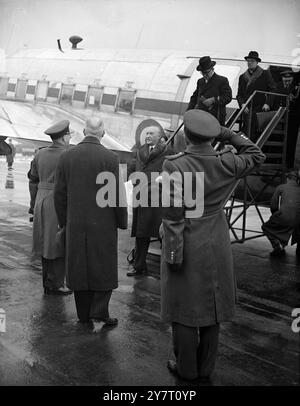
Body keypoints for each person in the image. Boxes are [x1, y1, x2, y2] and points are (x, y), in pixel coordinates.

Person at [160, 109, 266, 382]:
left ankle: (187, 369)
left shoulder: (176, 164)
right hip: (217, 240)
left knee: (183, 310)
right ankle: (205, 368)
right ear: (212, 135)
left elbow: (173, 216)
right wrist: (228, 132)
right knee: (212, 307)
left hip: (187, 241)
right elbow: (256, 154)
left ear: (187, 136)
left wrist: (172, 253)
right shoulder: (227, 161)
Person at [54, 116, 128, 332]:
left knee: (79, 267)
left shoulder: (67, 156)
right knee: (103, 267)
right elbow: (116, 195)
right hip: (103, 224)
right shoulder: (110, 158)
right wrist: (121, 221)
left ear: (84, 130)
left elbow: (59, 194)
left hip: (75, 222)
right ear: (102, 132)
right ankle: (100, 311)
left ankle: (83, 315)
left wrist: (64, 222)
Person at [29, 120, 73, 295]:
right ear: (63, 137)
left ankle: (47, 282)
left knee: (44, 240)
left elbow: (33, 179)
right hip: (58, 200)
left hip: (41, 198)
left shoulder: (40, 153)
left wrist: (33, 204)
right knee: (58, 241)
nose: (70, 137)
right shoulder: (68, 154)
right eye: (69, 135)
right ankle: (57, 284)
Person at [126, 126, 171, 277]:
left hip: (157, 197)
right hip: (141, 196)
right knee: (141, 233)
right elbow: (132, 166)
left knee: (161, 232)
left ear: (160, 137)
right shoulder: (140, 151)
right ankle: (139, 265)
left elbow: (172, 172)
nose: (148, 135)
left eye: (152, 133)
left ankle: (169, 266)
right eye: (147, 133)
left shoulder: (168, 152)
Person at [237, 51, 276, 141]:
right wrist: (242, 104)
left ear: (257, 62)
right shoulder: (242, 77)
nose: (250, 63)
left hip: (259, 107)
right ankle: (245, 150)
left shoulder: (265, 74)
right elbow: (239, 94)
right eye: (248, 61)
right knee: (246, 130)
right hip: (246, 108)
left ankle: (251, 151)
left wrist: (268, 103)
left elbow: (272, 89)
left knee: (254, 132)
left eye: (252, 61)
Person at [262, 170, 300, 257]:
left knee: (266, 227)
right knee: (286, 230)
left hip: (284, 217)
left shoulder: (281, 187)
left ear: (288, 178)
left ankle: (277, 246)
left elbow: (273, 204)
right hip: (297, 220)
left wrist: (275, 215)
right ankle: (282, 246)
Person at [186, 56, 232, 125]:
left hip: (215, 117)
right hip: (201, 116)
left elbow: (228, 97)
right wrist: (188, 112)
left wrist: (214, 100)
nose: (204, 75)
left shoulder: (222, 80)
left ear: (212, 69)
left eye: (206, 72)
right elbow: (194, 97)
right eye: (202, 73)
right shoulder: (200, 81)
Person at [275, 71, 300, 169]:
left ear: (292, 79)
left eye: (289, 80)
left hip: (292, 119)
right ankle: (277, 162)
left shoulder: (296, 88)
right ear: (282, 79)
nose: (287, 82)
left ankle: (289, 164)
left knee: (290, 141)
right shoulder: (277, 86)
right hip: (279, 117)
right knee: (277, 139)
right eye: (285, 80)